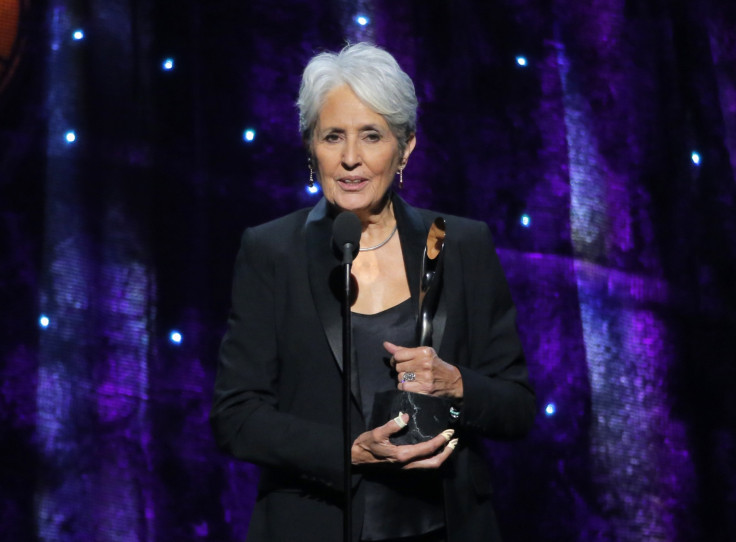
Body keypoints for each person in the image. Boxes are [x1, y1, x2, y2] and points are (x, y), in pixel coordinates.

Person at [211, 42, 536, 542]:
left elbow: (516, 406)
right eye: (332, 136)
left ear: (405, 147)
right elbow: (236, 417)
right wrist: (349, 450)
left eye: (371, 136)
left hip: (446, 525)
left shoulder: (462, 245)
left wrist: (455, 384)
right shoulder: (271, 252)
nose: (350, 159)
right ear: (310, 147)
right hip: (319, 523)